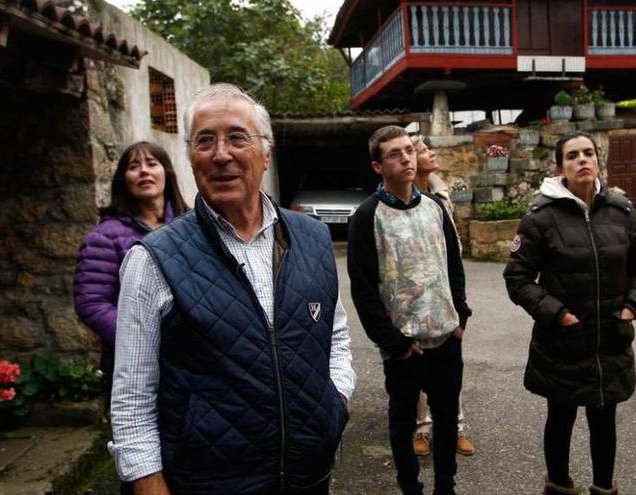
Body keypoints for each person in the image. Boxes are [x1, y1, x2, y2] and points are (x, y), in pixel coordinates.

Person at [108, 83, 356, 495]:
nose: (221, 153)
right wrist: (148, 483)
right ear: (189, 157)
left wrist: (335, 403)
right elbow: (133, 396)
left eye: (237, 137)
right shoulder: (153, 259)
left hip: (308, 475)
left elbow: (335, 335)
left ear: (266, 151)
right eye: (205, 140)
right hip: (209, 482)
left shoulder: (312, 238)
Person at [503, 131, 636, 495]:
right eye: (572, 156)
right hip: (563, 341)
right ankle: (559, 486)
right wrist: (559, 315)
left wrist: (633, 306)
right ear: (560, 168)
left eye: (588, 153)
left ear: (598, 161)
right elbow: (518, 278)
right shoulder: (541, 216)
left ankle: (603, 488)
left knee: (605, 420)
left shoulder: (621, 210)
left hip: (611, 339)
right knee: (561, 417)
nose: (582, 160)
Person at [348, 126, 471, 495]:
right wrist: (393, 342)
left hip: (446, 338)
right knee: (403, 422)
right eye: (394, 154)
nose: (405, 158)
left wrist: (460, 318)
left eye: (408, 150)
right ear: (377, 166)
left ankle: (445, 487)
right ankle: (409, 487)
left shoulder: (434, 208)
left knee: (447, 420)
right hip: (405, 347)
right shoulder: (368, 216)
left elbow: (454, 266)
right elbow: (363, 288)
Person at [74, 141, 186, 385]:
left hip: (190, 359)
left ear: (166, 172)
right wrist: (139, 340)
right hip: (134, 364)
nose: (144, 171)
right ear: (124, 179)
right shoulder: (105, 236)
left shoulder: (189, 227)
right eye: (134, 166)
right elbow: (91, 302)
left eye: (152, 163)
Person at [410, 135, 474, 457]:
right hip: (417, 292)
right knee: (421, 362)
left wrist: (461, 309)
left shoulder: (441, 191)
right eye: (422, 150)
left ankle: (456, 426)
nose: (429, 153)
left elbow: (453, 247)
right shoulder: (405, 198)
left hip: (447, 290)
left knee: (451, 362)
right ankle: (423, 428)